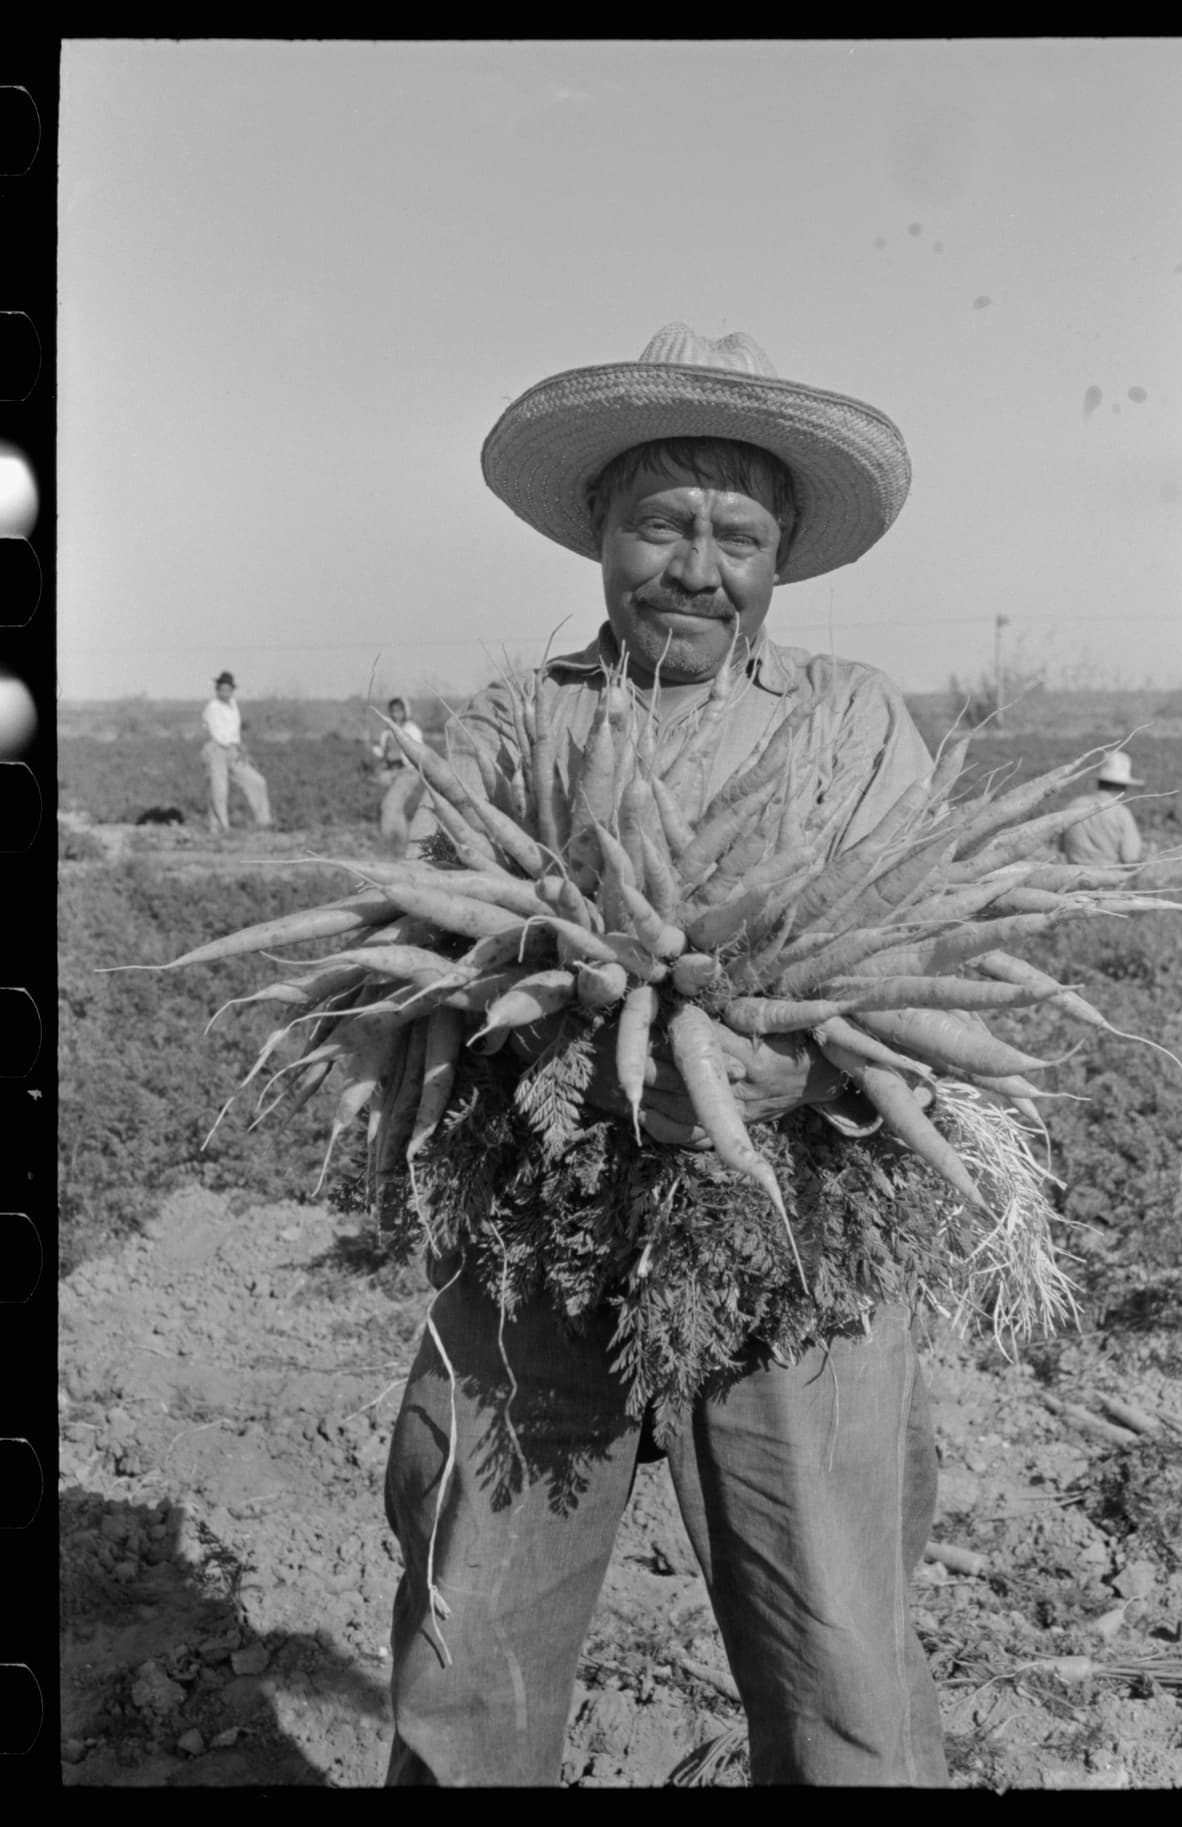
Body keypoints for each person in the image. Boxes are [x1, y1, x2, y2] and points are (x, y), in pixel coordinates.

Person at [387, 324, 949, 1787]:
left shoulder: (851, 718)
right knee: (470, 1653)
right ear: (600, 534)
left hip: (794, 1233)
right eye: (661, 524)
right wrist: (554, 1041)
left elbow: (908, 960)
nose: (696, 566)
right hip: (536, 1228)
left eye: (736, 534)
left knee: (843, 1669)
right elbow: (447, 954)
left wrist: (805, 1075)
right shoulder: (520, 718)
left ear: (781, 557)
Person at [200, 671, 272, 834]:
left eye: (228, 689)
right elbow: (217, 733)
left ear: (232, 690)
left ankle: (264, 822)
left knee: (257, 782)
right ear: (217, 690)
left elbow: (234, 731)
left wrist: (240, 747)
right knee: (219, 789)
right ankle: (220, 828)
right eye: (222, 689)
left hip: (232, 750)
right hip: (217, 749)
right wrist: (231, 745)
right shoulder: (212, 707)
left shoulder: (233, 705)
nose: (225, 692)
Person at [1059, 750, 1144, 865]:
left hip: (1072, 878)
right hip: (1108, 878)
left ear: (1099, 782)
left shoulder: (1071, 806)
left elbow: (1061, 847)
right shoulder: (1121, 814)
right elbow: (1130, 858)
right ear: (1124, 787)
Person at [370, 696, 427, 853]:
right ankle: (403, 846)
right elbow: (383, 751)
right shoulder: (387, 731)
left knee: (388, 805)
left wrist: (400, 770)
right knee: (396, 809)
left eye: (399, 711)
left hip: (408, 772)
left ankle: (385, 843)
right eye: (393, 711)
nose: (395, 714)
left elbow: (418, 753)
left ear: (405, 712)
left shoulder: (411, 730)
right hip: (392, 771)